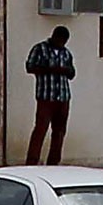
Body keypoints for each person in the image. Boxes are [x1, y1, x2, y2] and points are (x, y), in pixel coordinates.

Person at [25, 25, 76, 166]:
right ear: (54, 36)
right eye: (60, 40)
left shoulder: (66, 53)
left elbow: (72, 73)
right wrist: (50, 69)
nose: (62, 43)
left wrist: (65, 70)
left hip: (63, 97)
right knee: (40, 129)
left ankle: (53, 163)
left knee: (59, 132)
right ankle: (32, 162)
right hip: (46, 96)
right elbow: (29, 67)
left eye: (64, 41)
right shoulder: (40, 49)